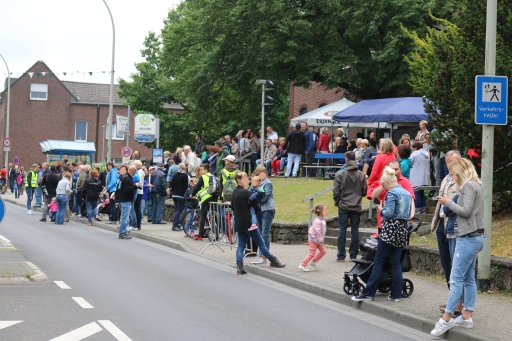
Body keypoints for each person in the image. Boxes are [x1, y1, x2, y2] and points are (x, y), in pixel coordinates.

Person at [430, 158, 484, 336]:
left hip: (467, 237)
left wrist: (448, 203)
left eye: (453, 173)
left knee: (455, 280)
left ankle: (446, 319)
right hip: (475, 237)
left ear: (460, 172)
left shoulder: (468, 186)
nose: (451, 177)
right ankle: (466, 316)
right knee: (468, 278)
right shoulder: (476, 185)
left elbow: (466, 211)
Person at [352, 166, 413, 302]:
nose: (384, 188)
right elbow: (408, 214)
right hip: (401, 231)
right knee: (396, 263)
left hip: (390, 230)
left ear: (388, 182)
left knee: (378, 262)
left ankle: (368, 293)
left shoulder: (392, 193)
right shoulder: (406, 194)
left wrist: (380, 208)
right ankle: (396, 294)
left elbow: (389, 213)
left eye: (384, 185)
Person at [231, 171, 285, 275]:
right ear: (239, 180)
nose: (247, 180)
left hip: (239, 222)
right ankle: (273, 260)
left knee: (241, 246)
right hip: (249, 222)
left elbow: (232, 207)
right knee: (261, 243)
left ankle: (239, 267)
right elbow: (256, 206)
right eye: (245, 178)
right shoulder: (247, 193)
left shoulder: (234, 193)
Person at [430, 151, 461, 288]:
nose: (452, 164)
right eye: (449, 162)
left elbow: (462, 204)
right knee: (445, 262)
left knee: (455, 263)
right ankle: (452, 297)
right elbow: (439, 203)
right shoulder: (445, 179)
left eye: (455, 160)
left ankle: (459, 301)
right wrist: (435, 224)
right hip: (442, 224)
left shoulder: (463, 181)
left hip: (454, 225)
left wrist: (448, 203)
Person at [333, 151, 368, 262]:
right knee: (355, 230)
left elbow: (336, 192)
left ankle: (341, 256)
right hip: (356, 205)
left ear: (346, 159)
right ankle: (353, 256)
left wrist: (337, 201)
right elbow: (364, 191)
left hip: (343, 205)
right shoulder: (361, 175)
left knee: (342, 229)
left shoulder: (340, 174)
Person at [366, 139, 397, 235]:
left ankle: (380, 229)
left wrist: (369, 182)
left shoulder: (380, 157)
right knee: (388, 207)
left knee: (379, 208)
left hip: (378, 186)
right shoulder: (393, 157)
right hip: (390, 186)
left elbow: (374, 172)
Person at [250, 166, 276, 265]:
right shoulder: (256, 183)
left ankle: (264, 256)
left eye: (263, 172)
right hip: (259, 210)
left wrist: (254, 201)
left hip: (267, 210)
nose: (262, 175)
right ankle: (260, 256)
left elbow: (265, 197)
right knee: (260, 234)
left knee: (265, 234)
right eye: (260, 173)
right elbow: (250, 192)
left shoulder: (268, 183)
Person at [190, 164, 218, 240]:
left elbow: (197, 187)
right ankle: (217, 234)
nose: (200, 171)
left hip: (206, 198)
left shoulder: (204, 177)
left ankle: (200, 235)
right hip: (214, 198)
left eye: (201, 169)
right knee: (214, 215)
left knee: (203, 216)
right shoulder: (214, 176)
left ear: (206, 170)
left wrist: (192, 194)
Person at [298, 204, 328, 271]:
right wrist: (321, 242)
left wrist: (321, 240)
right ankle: (302, 265)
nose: (327, 211)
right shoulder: (317, 221)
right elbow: (318, 232)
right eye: (325, 210)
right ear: (320, 211)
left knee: (323, 251)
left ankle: (314, 262)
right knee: (312, 253)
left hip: (318, 240)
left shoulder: (322, 220)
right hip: (313, 240)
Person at [117, 165, 140, 239]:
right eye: (135, 171)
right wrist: (135, 186)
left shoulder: (126, 177)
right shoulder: (127, 178)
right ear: (133, 171)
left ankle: (122, 231)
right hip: (126, 200)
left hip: (125, 199)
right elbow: (127, 189)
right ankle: (122, 233)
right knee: (125, 217)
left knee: (124, 216)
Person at [410, 141, 430, 214]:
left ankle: (417, 209)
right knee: (421, 193)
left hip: (416, 177)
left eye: (413, 148)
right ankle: (423, 208)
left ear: (415, 147)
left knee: (417, 193)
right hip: (425, 177)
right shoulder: (427, 154)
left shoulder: (415, 154)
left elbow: (410, 162)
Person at [169, 163, 189, 231]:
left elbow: (172, 184)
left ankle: (176, 224)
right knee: (179, 210)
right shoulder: (185, 175)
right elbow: (186, 186)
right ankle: (175, 225)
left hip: (174, 194)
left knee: (177, 210)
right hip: (181, 195)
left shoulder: (175, 174)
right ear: (184, 168)